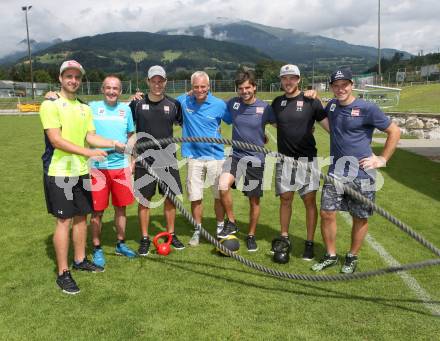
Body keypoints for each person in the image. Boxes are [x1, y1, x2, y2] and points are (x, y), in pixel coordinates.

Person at [39, 60, 125, 294]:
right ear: (60, 78)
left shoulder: (84, 108)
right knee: (64, 221)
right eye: (69, 76)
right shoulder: (50, 105)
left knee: (81, 217)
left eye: (77, 77)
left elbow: (91, 137)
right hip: (59, 171)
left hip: (81, 171)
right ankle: (63, 272)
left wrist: (114, 144)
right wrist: (88, 152)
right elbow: (56, 140)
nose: (73, 80)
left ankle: (79, 260)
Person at [311, 68, 400, 273]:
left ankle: (352, 256)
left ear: (352, 85)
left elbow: (394, 131)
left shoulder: (368, 108)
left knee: (360, 217)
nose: (340, 89)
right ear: (331, 87)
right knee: (327, 213)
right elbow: (330, 126)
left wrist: (382, 159)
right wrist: (314, 97)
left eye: (344, 85)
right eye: (336, 85)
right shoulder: (332, 105)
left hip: (362, 174)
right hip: (336, 172)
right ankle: (331, 255)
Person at [271, 64, 329, 261]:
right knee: (285, 199)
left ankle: (309, 243)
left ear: (299, 79)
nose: (288, 82)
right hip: (284, 160)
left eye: (292, 78)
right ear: (281, 80)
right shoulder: (277, 103)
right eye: (284, 78)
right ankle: (284, 238)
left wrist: (319, 97)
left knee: (309, 202)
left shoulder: (311, 100)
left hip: (307, 160)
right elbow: (273, 123)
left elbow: (329, 126)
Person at [130, 65, 185, 256]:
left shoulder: (174, 104)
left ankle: (171, 234)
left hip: (167, 159)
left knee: (170, 199)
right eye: (153, 81)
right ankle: (145, 238)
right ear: (147, 82)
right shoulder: (136, 104)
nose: (157, 84)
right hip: (144, 161)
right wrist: (131, 157)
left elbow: (186, 123)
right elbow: (127, 129)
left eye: (160, 81)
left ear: (165, 82)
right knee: (144, 200)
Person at [217, 70, 275, 251]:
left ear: (254, 87)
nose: (244, 91)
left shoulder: (265, 108)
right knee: (223, 185)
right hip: (236, 155)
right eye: (241, 88)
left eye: (247, 87)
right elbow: (213, 108)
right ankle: (232, 222)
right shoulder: (233, 104)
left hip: (255, 159)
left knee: (254, 201)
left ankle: (251, 235)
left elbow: (281, 124)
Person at [177, 71, 230, 246]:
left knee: (218, 196)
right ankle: (197, 230)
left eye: (203, 86)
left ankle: (221, 228)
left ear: (209, 86)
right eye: (196, 87)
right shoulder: (184, 101)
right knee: (195, 196)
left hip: (216, 156)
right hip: (194, 157)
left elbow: (234, 119)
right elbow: (163, 101)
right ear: (190, 88)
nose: (199, 90)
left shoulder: (219, 104)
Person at [88, 75, 136, 268]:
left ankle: (120, 244)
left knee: (121, 208)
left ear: (120, 91)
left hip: (121, 168)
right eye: (108, 87)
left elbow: (132, 136)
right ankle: (97, 247)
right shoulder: (91, 108)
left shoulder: (126, 110)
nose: (111, 91)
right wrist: (53, 95)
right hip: (98, 169)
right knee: (97, 211)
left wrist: (132, 161)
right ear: (102, 89)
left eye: (115, 88)